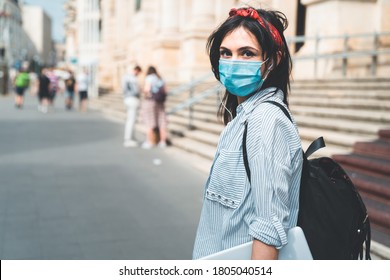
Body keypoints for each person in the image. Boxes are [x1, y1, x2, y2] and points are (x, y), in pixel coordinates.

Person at [192, 7, 303, 260]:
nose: (233, 62)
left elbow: (268, 229)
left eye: (247, 53)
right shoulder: (243, 117)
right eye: (225, 53)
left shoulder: (265, 121)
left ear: (272, 60)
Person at [141, 66, 168, 149]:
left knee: (150, 121)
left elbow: (147, 89)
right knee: (162, 121)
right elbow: (165, 90)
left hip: (151, 101)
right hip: (160, 102)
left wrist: (145, 94)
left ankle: (150, 142)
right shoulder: (160, 78)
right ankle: (163, 142)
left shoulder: (149, 78)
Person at [122, 65, 142, 147]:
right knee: (131, 120)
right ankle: (128, 139)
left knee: (130, 119)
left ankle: (130, 137)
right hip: (132, 99)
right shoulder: (132, 78)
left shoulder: (125, 77)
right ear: (136, 70)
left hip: (127, 98)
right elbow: (136, 90)